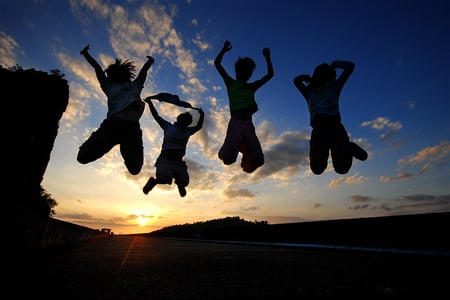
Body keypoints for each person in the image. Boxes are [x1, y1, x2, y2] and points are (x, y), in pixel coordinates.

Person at [77, 45, 154, 175]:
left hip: (131, 130)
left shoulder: (135, 85)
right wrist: (85, 54)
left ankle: (124, 148)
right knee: (82, 157)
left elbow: (143, 73)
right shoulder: (108, 86)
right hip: (111, 127)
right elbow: (97, 68)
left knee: (135, 169)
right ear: (111, 76)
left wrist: (149, 62)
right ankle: (98, 139)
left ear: (126, 74)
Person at [293, 60, 368, 175]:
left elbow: (350, 66)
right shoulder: (309, 92)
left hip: (335, 126)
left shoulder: (335, 86)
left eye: (328, 74)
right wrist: (307, 77)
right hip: (318, 128)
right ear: (316, 75)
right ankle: (345, 146)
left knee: (342, 168)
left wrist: (335, 64)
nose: (324, 77)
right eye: (321, 74)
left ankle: (349, 147)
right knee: (317, 168)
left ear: (330, 76)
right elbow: (296, 81)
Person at [214, 40, 274, 173]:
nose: (246, 74)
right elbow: (217, 64)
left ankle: (243, 147)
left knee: (259, 160)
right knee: (227, 159)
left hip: (249, 124)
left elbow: (270, 75)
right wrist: (224, 50)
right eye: (244, 71)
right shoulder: (231, 83)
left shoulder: (251, 87)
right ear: (237, 72)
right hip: (235, 122)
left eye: (249, 72)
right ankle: (226, 148)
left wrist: (268, 58)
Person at [142, 96, 204, 197]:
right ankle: (154, 182)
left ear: (188, 124)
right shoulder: (168, 127)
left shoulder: (187, 131)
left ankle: (179, 184)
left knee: (185, 182)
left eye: (187, 122)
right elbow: (156, 116)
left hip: (178, 162)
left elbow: (199, 126)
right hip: (165, 160)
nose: (185, 123)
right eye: (184, 121)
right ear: (179, 120)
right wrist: (150, 103)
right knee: (163, 179)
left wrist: (202, 115)